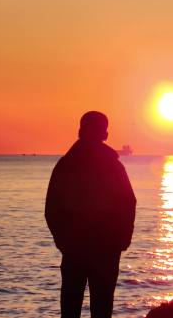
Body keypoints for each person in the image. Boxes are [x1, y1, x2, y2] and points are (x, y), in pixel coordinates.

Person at [45, 111, 137, 318]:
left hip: (86, 248)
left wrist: (63, 241)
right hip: (97, 248)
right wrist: (122, 239)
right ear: (104, 133)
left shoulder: (67, 164)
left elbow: (52, 209)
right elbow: (128, 203)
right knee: (100, 307)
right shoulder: (111, 165)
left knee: (73, 306)